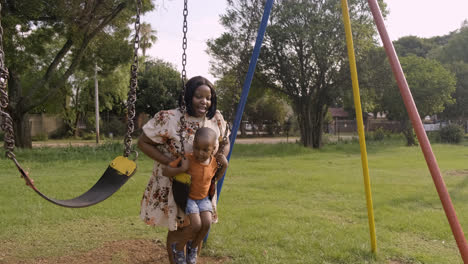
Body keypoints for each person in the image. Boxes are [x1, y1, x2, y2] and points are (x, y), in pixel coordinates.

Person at [137, 76, 230, 264]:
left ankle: (193, 256)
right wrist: (171, 162)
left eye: (208, 97)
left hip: (203, 184)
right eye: (198, 96)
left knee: (202, 225)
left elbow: (225, 142)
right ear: (188, 96)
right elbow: (143, 143)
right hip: (175, 182)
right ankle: (177, 259)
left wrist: (221, 158)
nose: (204, 101)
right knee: (180, 227)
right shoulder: (169, 118)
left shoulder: (215, 119)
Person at [163, 127, 228, 264]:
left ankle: (192, 248)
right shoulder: (188, 158)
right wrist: (181, 169)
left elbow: (215, 179)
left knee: (207, 223)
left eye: (205, 150)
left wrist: (225, 165)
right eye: (197, 148)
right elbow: (166, 171)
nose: (200, 153)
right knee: (196, 225)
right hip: (189, 198)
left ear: (213, 149)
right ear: (193, 145)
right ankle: (179, 248)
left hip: (204, 198)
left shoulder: (213, 162)